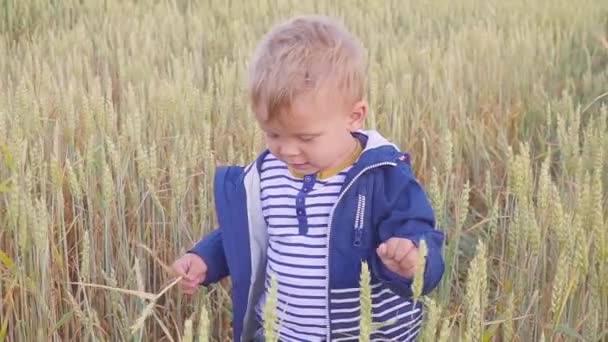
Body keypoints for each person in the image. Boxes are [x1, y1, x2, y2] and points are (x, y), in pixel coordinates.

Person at [172, 14, 445, 342]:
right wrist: (205, 258)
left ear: (354, 117)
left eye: (306, 138)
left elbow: (419, 235)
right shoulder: (266, 175)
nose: (287, 150)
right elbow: (248, 232)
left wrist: (412, 260)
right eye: (273, 134)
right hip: (281, 334)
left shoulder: (383, 177)